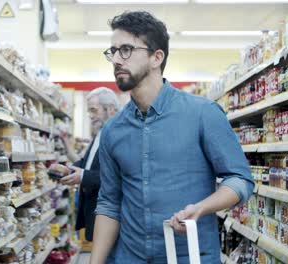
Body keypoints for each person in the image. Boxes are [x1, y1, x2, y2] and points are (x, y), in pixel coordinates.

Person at [90, 11, 254, 264]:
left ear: (157, 57)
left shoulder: (202, 114)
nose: (116, 60)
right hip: (128, 256)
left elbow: (240, 179)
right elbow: (109, 203)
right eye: (112, 51)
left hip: (190, 255)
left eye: (126, 49)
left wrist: (202, 207)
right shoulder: (113, 130)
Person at [50, 87, 120, 242]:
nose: (90, 116)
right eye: (89, 111)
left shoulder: (120, 136)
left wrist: (83, 176)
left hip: (108, 213)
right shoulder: (102, 132)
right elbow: (87, 163)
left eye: (94, 110)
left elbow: (118, 176)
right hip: (94, 209)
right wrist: (68, 169)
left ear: (111, 109)